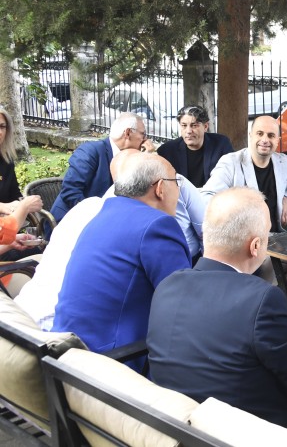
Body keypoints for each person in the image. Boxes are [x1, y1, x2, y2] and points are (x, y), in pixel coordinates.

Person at [147, 188, 287, 435]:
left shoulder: (167, 286)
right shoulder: (261, 300)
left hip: (175, 426)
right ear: (255, 246)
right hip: (241, 432)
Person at [52, 154, 190, 367]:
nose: (179, 190)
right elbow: (185, 304)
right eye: (176, 182)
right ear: (160, 188)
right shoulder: (157, 225)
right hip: (112, 363)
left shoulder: (102, 214)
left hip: (65, 353)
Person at [15, 150, 139, 330]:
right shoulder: (117, 221)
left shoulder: (89, 207)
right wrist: (21, 209)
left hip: (26, 312)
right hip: (53, 328)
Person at [50, 112, 148, 222]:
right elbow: (71, 192)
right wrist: (98, 219)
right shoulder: (90, 151)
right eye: (143, 134)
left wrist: (146, 157)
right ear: (128, 133)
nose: (145, 140)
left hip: (108, 219)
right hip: (71, 221)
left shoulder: (129, 158)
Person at [202, 116, 287, 232]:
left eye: (271, 135)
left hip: (277, 235)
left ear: (277, 140)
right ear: (250, 135)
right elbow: (207, 197)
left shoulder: (283, 162)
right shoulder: (231, 163)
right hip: (242, 236)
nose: (265, 140)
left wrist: (286, 199)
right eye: (259, 134)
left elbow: (286, 187)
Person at [157, 105, 234, 188]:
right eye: (184, 125)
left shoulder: (221, 144)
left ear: (205, 126)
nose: (188, 131)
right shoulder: (167, 150)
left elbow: (232, 174)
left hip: (214, 194)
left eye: (194, 125)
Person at [0, 105, 43, 214]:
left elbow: (14, 195)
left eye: (2, 126)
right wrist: (2, 207)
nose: (0, 132)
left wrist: (26, 203)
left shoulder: (6, 160)